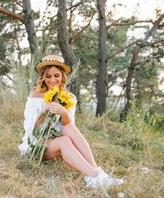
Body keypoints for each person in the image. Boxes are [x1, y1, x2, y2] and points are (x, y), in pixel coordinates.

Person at [18, 55, 124, 189]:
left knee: (69, 130)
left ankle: (97, 173)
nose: (52, 80)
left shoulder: (68, 98)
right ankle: (94, 177)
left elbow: (68, 127)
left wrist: (63, 113)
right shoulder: (35, 97)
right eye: (48, 76)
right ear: (43, 78)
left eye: (56, 75)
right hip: (36, 145)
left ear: (63, 77)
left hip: (56, 143)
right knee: (64, 141)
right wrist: (44, 111)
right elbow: (31, 130)